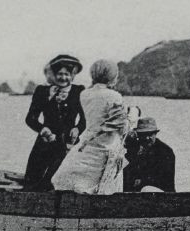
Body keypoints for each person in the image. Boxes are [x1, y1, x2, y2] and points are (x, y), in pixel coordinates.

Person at [50, 59, 130, 194]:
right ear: (111, 76)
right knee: (104, 187)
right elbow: (120, 127)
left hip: (88, 141)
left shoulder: (85, 94)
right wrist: (131, 118)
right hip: (106, 144)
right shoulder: (114, 96)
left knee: (69, 179)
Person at [20, 54, 86, 190]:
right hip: (45, 142)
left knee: (57, 183)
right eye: (59, 74)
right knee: (32, 182)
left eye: (67, 74)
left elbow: (85, 120)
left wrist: (78, 129)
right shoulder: (42, 91)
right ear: (53, 74)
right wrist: (42, 129)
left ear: (72, 76)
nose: (63, 78)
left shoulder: (78, 92)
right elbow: (30, 118)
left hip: (68, 144)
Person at [124, 117, 176, 192]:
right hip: (138, 195)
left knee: (146, 189)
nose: (147, 138)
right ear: (138, 135)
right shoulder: (135, 150)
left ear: (155, 134)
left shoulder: (165, 152)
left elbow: (164, 180)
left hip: (162, 195)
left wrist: (142, 181)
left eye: (150, 134)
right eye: (143, 135)